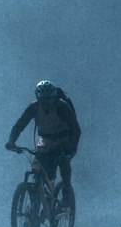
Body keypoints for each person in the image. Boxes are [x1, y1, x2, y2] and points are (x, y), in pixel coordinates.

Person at [6, 80, 80, 212]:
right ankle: (38, 201)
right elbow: (20, 124)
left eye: (49, 99)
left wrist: (70, 147)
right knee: (39, 170)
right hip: (45, 142)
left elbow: (76, 130)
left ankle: (66, 193)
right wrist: (12, 141)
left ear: (54, 97)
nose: (46, 103)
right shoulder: (34, 107)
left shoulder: (62, 107)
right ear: (37, 98)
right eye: (42, 100)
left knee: (63, 161)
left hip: (64, 140)